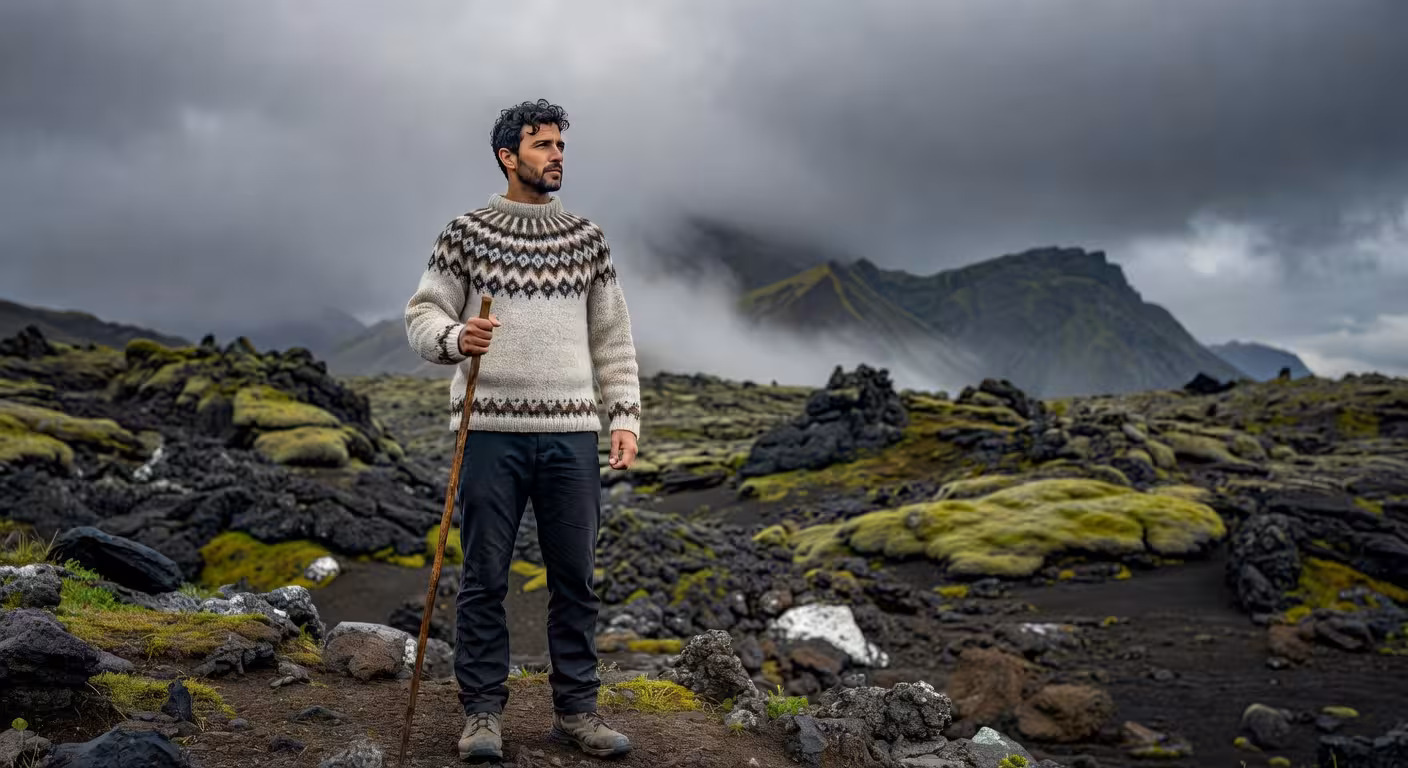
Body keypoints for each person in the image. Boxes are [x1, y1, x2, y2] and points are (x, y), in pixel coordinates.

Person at [404, 98, 641, 761]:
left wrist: (623, 418)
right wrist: (457, 336)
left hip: (572, 435)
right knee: (483, 578)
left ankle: (577, 713)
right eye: (543, 145)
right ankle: (482, 715)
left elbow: (613, 340)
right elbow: (422, 315)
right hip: (488, 435)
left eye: (560, 145)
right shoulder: (465, 233)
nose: (557, 155)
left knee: (576, 578)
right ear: (509, 157)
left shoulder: (587, 239)